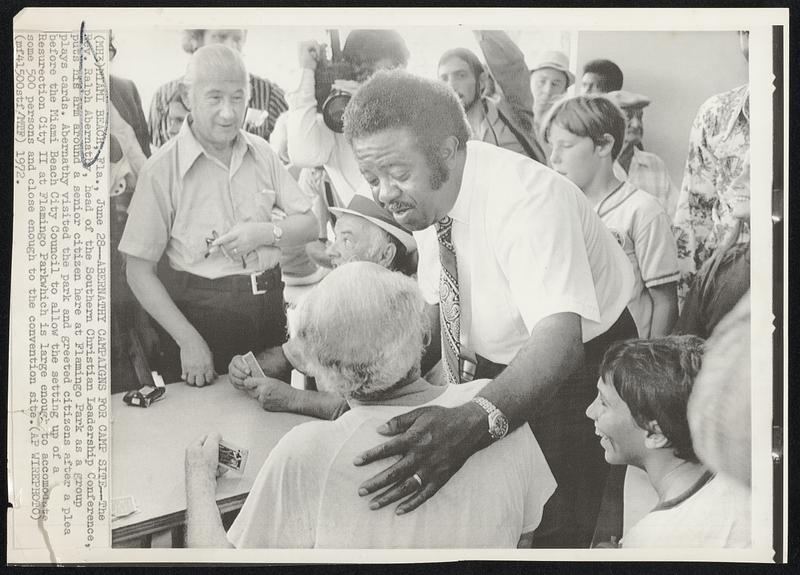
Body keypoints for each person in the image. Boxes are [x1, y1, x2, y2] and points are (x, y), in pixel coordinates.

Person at [342, 70, 637, 548]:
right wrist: (364, 384)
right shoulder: (428, 193)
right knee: (497, 508)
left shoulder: (529, 202)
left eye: (397, 173)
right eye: (372, 178)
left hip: (577, 367)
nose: (384, 193)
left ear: (447, 150)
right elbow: (439, 307)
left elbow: (559, 345)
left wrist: (471, 422)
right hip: (502, 358)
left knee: (555, 524)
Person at [185, 263, 557, 548]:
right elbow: (525, 537)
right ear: (422, 335)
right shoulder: (494, 410)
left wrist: (198, 477)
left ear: (323, 372)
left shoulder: (306, 452)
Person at [119, 44, 317, 386]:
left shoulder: (262, 153)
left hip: (270, 311)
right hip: (203, 319)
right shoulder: (161, 170)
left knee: (273, 412)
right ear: (188, 96)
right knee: (208, 419)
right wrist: (188, 341)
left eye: (238, 98)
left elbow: (310, 225)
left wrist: (263, 233)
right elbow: (137, 271)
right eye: (215, 98)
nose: (228, 113)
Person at [226, 195, 418, 419]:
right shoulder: (336, 304)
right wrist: (245, 368)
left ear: (385, 255)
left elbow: (376, 410)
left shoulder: (403, 314)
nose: (330, 251)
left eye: (347, 241)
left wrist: (294, 398)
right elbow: (288, 355)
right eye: (335, 238)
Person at [586, 336, 751, 548]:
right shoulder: (737, 478)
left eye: (604, 403)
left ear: (655, 434)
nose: (590, 411)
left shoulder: (650, 540)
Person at [542, 95, 679, 338]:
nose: (554, 157)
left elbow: (665, 302)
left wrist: (649, 357)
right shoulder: (557, 210)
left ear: (604, 145)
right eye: (552, 146)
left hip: (625, 354)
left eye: (566, 145)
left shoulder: (642, 211)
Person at [285, 30, 410, 209]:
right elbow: (303, 154)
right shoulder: (335, 123)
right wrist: (305, 72)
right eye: (370, 77)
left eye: (392, 77)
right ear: (350, 77)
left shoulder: (414, 116)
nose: (383, 89)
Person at [674, 31, 750, 303]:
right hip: (724, 286)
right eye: (748, 32)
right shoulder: (715, 113)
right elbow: (693, 218)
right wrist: (688, 304)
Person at [148, 29, 288, 148]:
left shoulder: (271, 96)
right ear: (196, 40)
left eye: (237, 39)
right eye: (221, 37)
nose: (231, 46)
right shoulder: (164, 97)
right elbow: (157, 159)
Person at [437, 32, 546, 162]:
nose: (451, 86)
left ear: (482, 81)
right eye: (444, 79)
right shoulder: (445, 137)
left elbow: (511, 65)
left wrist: (482, 27)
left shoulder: (510, 110)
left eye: (461, 75)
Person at [674, 161, 750, 339]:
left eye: (752, 174)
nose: (735, 183)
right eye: (741, 171)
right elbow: (682, 346)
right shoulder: (717, 269)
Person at [606, 90, 680, 219]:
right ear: (608, 122)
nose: (637, 124)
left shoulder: (655, 164)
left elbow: (675, 215)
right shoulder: (598, 164)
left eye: (639, 117)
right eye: (628, 117)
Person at [529, 50, 574, 137]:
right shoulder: (513, 118)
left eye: (555, 84)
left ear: (564, 91)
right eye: (541, 81)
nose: (547, 91)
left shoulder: (568, 128)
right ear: (529, 81)